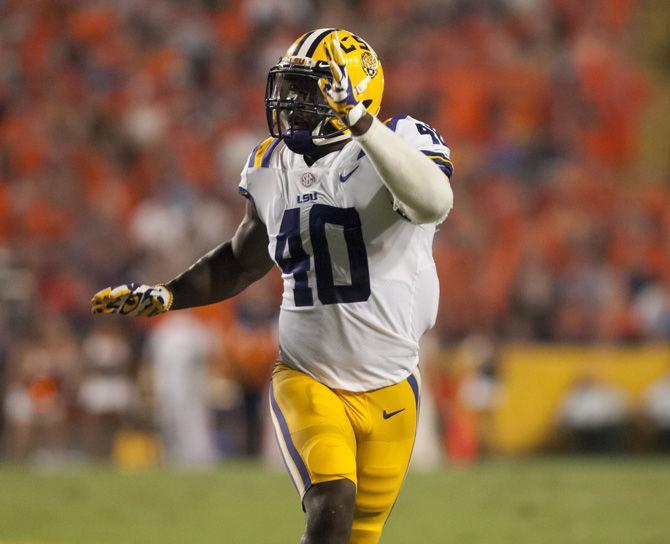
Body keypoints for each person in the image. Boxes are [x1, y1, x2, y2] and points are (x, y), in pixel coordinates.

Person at [91, 28, 453, 544]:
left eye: (310, 89)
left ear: (356, 90)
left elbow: (433, 203)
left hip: (393, 384)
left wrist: (361, 124)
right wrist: (170, 294)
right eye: (292, 87)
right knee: (332, 506)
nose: (292, 102)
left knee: (359, 535)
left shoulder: (400, 141)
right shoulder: (270, 162)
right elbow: (242, 259)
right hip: (308, 377)